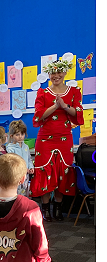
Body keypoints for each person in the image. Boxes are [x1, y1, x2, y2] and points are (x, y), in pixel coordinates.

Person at [32, 59, 84, 221]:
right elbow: (39, 115)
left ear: (65, 72)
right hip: (45, 139)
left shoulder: (74, 91)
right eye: (53, 72)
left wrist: (65, 106)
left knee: (63, 171)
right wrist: (55, 106)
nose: (56, 75)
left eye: (59, 72)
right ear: (49, 74)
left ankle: (58, 208)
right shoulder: (42, 92)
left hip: (64, 138)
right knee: (45, 171)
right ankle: (46, 209)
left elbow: (78, 113)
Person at [6, 120, 34, 197]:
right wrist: (23, 169)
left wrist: (31, 167)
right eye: (17, 135)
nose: (20, 136)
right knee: (16, 194)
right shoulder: (10, 148)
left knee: (25, 193)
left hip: (26, 176)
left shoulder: (26, 147)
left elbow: (29, 159)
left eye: (22, 134)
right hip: (16, 176)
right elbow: (12, 163)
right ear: (11, 136)